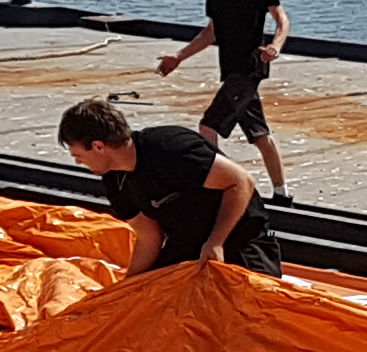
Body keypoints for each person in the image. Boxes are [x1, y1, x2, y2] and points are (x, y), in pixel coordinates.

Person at [58, 97, 283, 277]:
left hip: (238, 235)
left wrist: (216, 242)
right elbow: (149, 238)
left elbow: (241, 181)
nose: (78, 162)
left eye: (78, 155)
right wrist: (128, 287)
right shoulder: (115, 181)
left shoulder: (171, 148)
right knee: (151, 299)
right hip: (188, 242)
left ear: (98, 146)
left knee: (251, 307)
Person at [155, 0, 294, 201]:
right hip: (230, 69)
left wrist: (276, 45)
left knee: (208, 127)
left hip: (249, 68)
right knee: (259, 135)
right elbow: (211, 32)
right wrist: (178, 57)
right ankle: (282, 195)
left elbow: (281, 18)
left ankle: (225, 189)